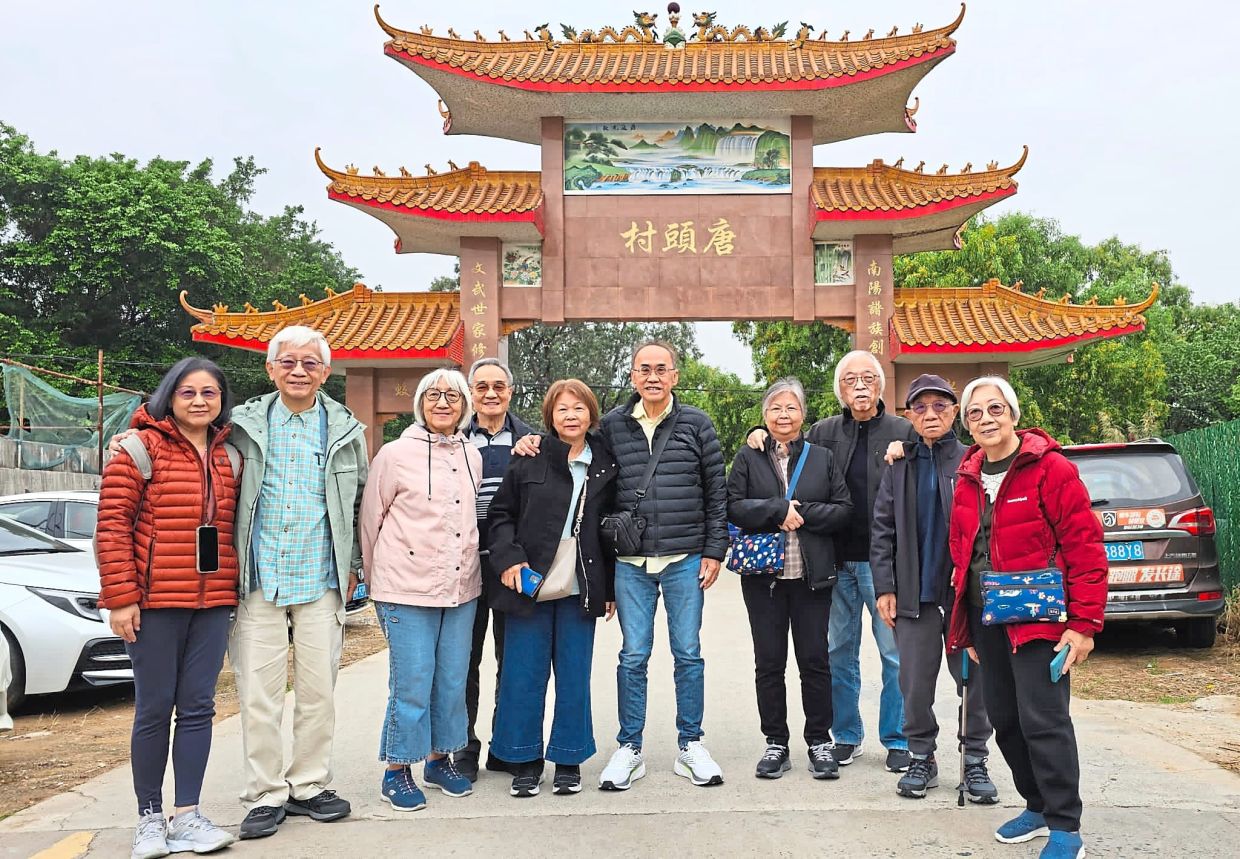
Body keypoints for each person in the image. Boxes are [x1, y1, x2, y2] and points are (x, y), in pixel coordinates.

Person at [514, 340, 729, 790]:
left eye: (661, 369)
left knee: (688, 653)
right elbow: (569, 446)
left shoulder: (697, 424)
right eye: (644, 369)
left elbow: (716, 490)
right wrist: (532, 439)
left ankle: (691, 743)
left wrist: (714, 550)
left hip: (685, 558)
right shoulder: (611, 426)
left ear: (675, 376)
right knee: (633, 656)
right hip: (630, 562)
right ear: (632, 376)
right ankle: (630, 747)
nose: (653, 376)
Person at [946, 376, 1106, 859]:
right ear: (967, 424)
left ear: (1014, 415)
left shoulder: (1051, 468)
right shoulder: (968, 476)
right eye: (975, 413)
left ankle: (1065, 827)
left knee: (1044, 720)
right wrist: (963, 628)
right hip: (987, 618)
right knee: (1004, 719)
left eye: (995, 408)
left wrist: (1083, 625)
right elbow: (961, 553)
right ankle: (1036, 806)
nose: (986, 419)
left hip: (1040, 618)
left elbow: (1084, 546)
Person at [228, 326, 368, 840]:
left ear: (325, 372)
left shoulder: (346, 430)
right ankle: (265, 792)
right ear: (270, 369)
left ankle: (308, 784)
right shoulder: (240, 425)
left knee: (318, 692)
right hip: (258, 577)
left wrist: (354, 566)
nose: (299, 371)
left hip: (320, 576)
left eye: (310, 363)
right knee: (258, 695)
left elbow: (359, 503)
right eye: (288, 362)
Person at [96, 358, 241, 859]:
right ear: (169, 397)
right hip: (154, 602)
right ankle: (149, 818)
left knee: (199, 708)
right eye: (187, 392)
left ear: (222, 400)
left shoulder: (231, 454)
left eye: (209, 392)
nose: (199, 401)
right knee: (155, 708)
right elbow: (112, 527)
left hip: (213, 601)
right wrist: (121, 598)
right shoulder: (138, 448)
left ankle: (188, 815)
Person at [747, 349, 915, 772]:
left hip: (885, 563)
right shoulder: (823, 432)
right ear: (840, 389)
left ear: (880, 385)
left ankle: (896, 738)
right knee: (838, 652)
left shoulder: (903, 431)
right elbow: (785, 444)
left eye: (867, 378)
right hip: (833, 562)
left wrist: (908, 450)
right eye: (849, 379)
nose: (859, 386)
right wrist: (757, 432)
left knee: (894, 653)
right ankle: (846, 735)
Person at [486, 379, 619, 797]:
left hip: (582, 582)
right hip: (530, 581)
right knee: (523, 674)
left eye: (579, 408)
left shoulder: (606, 463)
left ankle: (568, 759)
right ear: (550, 416)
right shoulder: (530, 456)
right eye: (562, 409)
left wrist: (610, 588)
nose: (571, 416)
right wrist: (509, 560)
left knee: (574, 675)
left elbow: (609, 530)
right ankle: (524, 760)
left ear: (591, 414)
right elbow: (500, 514)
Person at [359, 368, 482, 811]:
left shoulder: (472, 454)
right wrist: (375, 579)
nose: (443, 402)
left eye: (452, 396)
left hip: (461, 587)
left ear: (464, 406)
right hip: (405, 588)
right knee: (412, 682)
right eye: (433, 395)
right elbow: (370, 520)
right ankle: (396, 769)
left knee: (451, 680)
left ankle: (438, 758)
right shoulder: (394, 454)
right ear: (420, 404)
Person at [871, 374, 998, 802]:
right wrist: (885, 587)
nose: (930, 414)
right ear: (909, 415)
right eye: (920, 407)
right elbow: (882, 531)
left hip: (966, 594)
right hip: (914, 593)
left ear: (954, 412)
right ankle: (921, 756)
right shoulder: (899, 465)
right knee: (914, 682)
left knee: (975, 679)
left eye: (940, 406)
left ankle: (975, 759)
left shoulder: (973, 461)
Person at [727, 378, 853, 781]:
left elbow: (843, 509)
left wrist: (802, 512)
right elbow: (733, 507)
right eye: (775, 408)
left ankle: (819, 741)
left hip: (811, 577)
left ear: (803, 414)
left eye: (791, 407)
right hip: (763, 580)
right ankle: (775, 743)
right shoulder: (748, 456)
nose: (783, 415)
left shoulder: (821, 457)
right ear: (765, 414)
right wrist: (776, 510)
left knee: (815, 661)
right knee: (769, 662)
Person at [455, 357, 536, 783]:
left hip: (512, 566)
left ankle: (506, 746)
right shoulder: (453, 438)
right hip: (462, 564)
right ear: (471, 393)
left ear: (510, 392)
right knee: (463, 662)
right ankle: (463, 746)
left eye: (498, 386)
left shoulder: (531, 441)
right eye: (482, 386)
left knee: (514, 660)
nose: (491, 394)